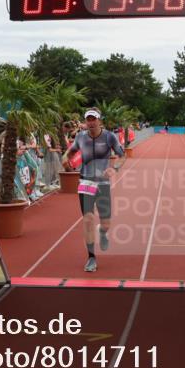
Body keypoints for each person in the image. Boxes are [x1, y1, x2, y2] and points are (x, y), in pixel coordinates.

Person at [63, 108, 124, 272]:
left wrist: (114, 168)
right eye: (88, 119)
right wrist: (65, 159)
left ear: (99, 120)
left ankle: (103, 232)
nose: (90, 122)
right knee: (88, 220)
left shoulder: (109, 136)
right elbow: (71, 152)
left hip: (102, 184)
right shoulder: (81, 137)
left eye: (93, 119)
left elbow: (121, 155)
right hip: (85, 182)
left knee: (106, 223)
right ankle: (91, 258)